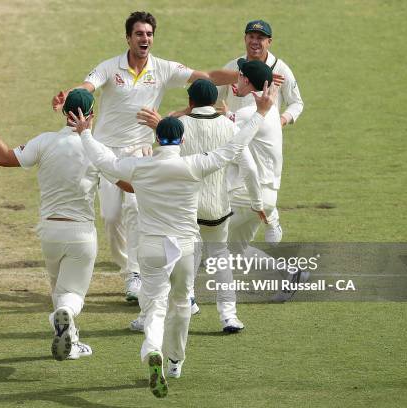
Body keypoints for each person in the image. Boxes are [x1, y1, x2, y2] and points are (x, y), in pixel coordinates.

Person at [69, 77, 277, 397]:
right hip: (184, 246)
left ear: (157, 139)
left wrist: (84, 133)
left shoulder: (141, 167)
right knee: (181, 304)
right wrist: (262, 112)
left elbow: (103, 161)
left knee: (154, 308)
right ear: (180, 140)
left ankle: (152, 349)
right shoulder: (194, 165)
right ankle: (176, 361)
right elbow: (233, 148)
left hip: (151, 246)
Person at [51, 11, 239, 314]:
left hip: (142, 151)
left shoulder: (163, 68)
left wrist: (245, 76)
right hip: (108, 152)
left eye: (149, 34)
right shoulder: (110, 67)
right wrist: (71, 97)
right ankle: (128, 269)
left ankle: (135, 276)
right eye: (139, 34)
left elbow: (206, 77)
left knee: (137, 210)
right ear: (128, 37)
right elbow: (88, 86)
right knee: (112, 217)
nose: (145, 39)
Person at [0, 89, 130, 360]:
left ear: (63, 112)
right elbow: (129, 184)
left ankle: (71, 342)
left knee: (60, 290)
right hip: (81, 234)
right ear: (91, 115)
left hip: (49, 233)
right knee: (72, 295)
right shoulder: (97, 150)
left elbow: (3, 158)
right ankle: (67, 317)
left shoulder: (44, 142)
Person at [138, 79, 266, 333]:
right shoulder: (229, 127)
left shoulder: (180, 126)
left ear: (190, 102)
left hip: (184, 210)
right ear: (215, 103)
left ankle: (152, 316)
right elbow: (249, 169)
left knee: (169, 262)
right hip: (218, 207)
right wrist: (257, 203)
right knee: (220, 258)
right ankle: (229, 316)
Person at [226, 59, 309, 301]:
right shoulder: (269, 110)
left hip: (248, 195)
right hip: (265, 196)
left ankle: (177, 297)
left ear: (247, 81)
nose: (236, 79)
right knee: (236, 250)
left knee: (199, 236)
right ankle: (291, 273)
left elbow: (213, 129)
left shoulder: (247, 113)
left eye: (240, 76)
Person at [218, 19, 304, 245]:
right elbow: (213, 96)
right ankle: (268, 212)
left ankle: (268, 211)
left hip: (254, 134)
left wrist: (280, 122)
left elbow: (297, 103)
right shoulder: (233, 66)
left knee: (211, 228)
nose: (255, 42)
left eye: (260, 38)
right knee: (235, 249)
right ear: (245, 38)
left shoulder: (281, 70)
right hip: (238, 135)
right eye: (251, 37)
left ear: (269, 42)